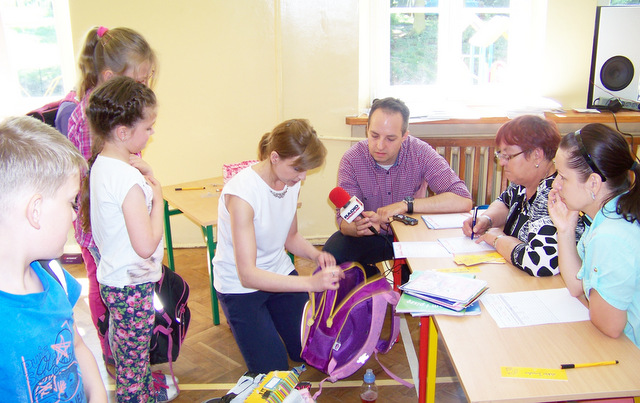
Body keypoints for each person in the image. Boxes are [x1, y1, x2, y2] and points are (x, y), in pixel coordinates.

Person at [212, 119, 342, 374]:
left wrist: (316, 255)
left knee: (308, 351)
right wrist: (310, 284)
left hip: (279, 273)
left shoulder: (290, 182)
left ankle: (270, 324)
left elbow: (290, 236)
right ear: (274, 157)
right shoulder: (242, 195)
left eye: (305, 170)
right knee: (273, 374)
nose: (302, 177)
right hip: (240, 288)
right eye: (297, 169)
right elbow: (248, 276)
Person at [0, 116, 107, 402]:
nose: (75, 214)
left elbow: (77, 347)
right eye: (71, 201)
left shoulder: (57, 278)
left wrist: (98, 395)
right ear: (35, 211)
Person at [67, 25, 157, 365]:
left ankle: (125, 353)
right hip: (102, 228)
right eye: (140, 81)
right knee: (104, 287)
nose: (144, 87)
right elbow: (95, 182)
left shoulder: (106, 112)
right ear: (109, 76)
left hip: (112, 226)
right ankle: (116, 354)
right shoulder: (94, 119)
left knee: (109, 289)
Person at [83, 76, 176, 401]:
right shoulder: (127, 181)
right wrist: (158, 197)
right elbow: (146, 244)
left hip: (116, 280)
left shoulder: (104, 164)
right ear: (123, 132)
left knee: (129, 357)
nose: (152, 133)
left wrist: (142, 176)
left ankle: (145, 392)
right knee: (133, 370)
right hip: (131, 287)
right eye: (148, 127)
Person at [323, 97, 472, 278]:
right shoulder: (352, 159)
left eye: (391, 139)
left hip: (413, 234)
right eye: (374, 135)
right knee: (333, 254)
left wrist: (405, 205)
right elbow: (343, 222)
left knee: (416, 284)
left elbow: (462, 200)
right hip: (372, 236)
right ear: (366, 130)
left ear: (404, 136)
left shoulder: (420, 152)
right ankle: (372, 285)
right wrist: (356, 227)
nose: (380, 145)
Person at [549, 124, 640, 348]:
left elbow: (609, 325)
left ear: (593, 183)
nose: (555, 185)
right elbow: (576, 286)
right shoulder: (610, 214)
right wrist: (565, 230)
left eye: (563, 177)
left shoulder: (611, 235)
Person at [462, 115, 587, 276]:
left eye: (508, 156)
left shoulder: (554, 194)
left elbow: (538, 262)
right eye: (501, 155)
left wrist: (497, 239)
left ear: (537, 155)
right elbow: (505, 202)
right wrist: (486, 220)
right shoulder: (523, 183)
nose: (501, 163)